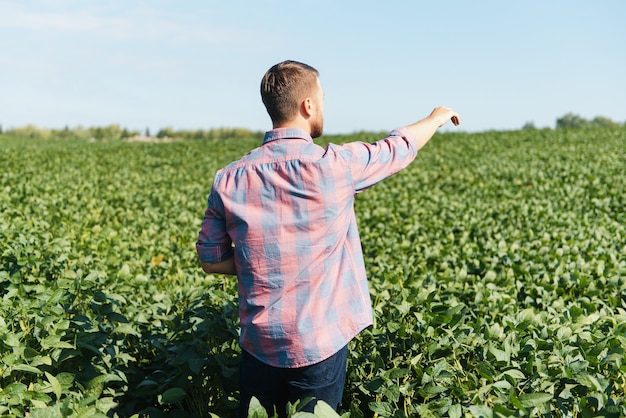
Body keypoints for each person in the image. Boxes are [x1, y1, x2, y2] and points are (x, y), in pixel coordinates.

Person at [196, 60, 460, 417]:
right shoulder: (335, 165)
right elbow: (396, 148)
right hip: (319, 344)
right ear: (308, 105)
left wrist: (255, 262)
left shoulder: (228, 179)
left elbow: (211, 260)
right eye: (321, 97)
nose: (323, 104)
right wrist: (435, 118)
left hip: (259, 345)